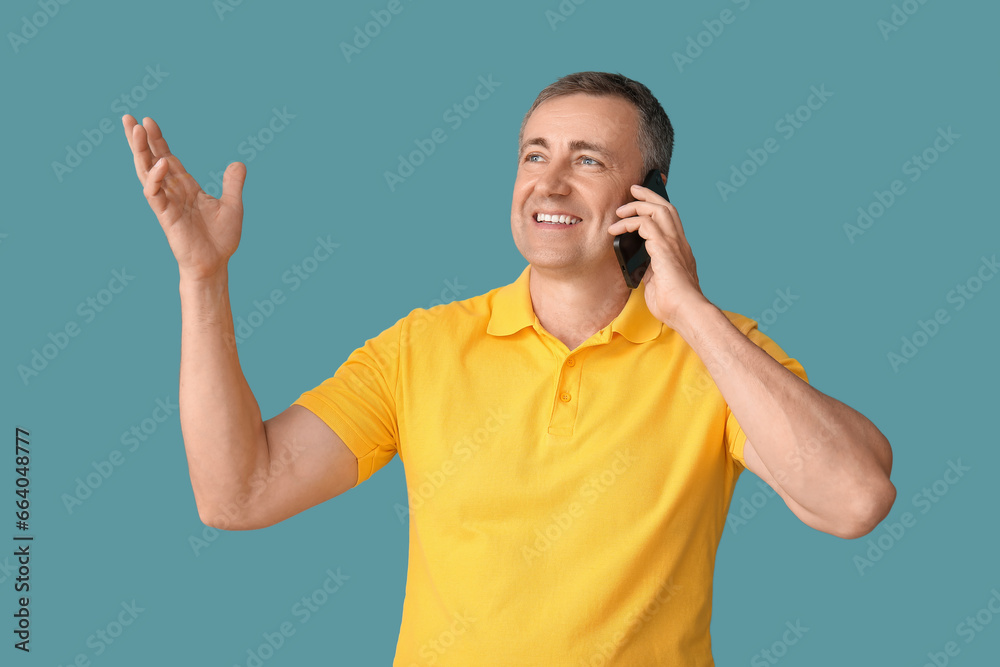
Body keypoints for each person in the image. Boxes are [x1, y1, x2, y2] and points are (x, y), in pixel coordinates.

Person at [122, 71, 895, 665]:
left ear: (649, 197)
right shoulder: (422, 347)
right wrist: (203, 276)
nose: (549, 183)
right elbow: (238, 492)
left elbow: (856, 498)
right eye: (534, 155)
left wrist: (689, 310)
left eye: (587, 159)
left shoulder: (719, 355)